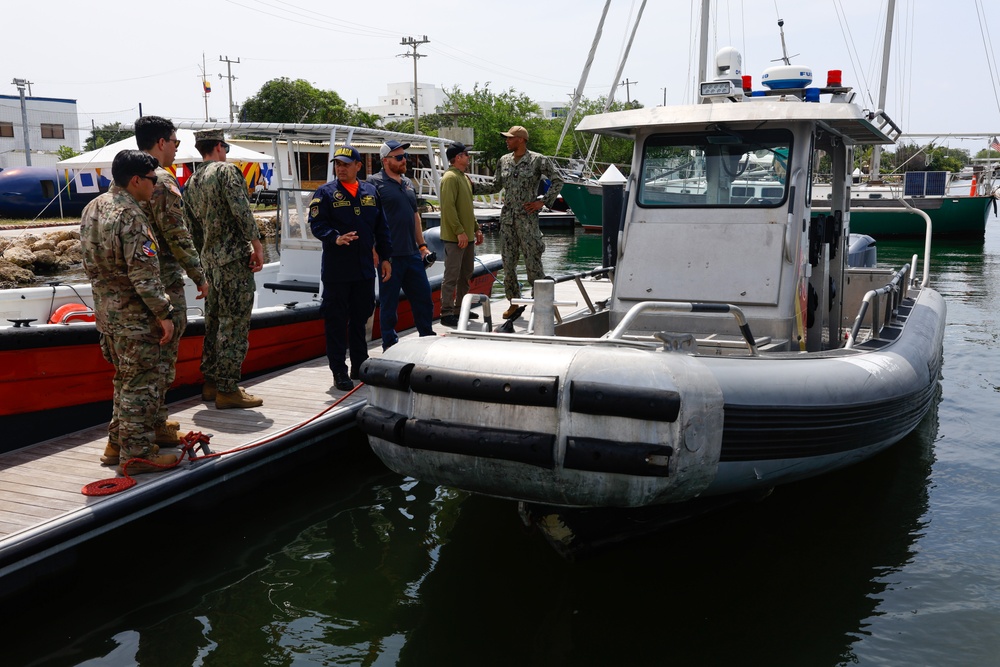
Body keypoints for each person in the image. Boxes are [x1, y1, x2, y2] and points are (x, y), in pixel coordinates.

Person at [80, 150, 179, 475]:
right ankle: (137, 456)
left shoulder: (93, 208)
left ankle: (115, 444)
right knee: (140, 386)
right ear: (136, 180)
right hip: (135, 318)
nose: (155, 186)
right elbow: (144, 276)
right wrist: (164, 313)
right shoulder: (131, 216)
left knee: (124, 381)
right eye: (152, 180)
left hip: (107, 315)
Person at [134, 115, 209, 447]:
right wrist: (199, 275)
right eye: (176, 143)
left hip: (137, 285)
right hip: (163, 283)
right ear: (162, 143)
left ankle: (124, 431)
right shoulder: (162, 181)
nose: (178, 150)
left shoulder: (127, 180)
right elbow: (177, 236)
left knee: (136, 366)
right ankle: (157, 424)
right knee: (163, 361)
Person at [183, 129, 265, 409]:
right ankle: (228, 388)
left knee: (214, 322)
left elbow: (191, 228)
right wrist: (257, 244)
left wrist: (202, 262)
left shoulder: (192, 181)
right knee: (235, 324)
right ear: (219, 146)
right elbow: (241, 209)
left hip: (211, 263)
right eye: (226, 147)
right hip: (232, 262)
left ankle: (211, 383)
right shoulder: (226, 172)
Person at [308, 146, 392, 391]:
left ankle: (359, 364)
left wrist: (386, 257)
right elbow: (316, 223)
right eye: (337, 164)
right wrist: (334, 237)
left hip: (364, 268)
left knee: (361, 317)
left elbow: (381, 228)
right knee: (335, 320)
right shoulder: (325, 193)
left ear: (358, 166)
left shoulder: (370, 191)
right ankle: (339, 371)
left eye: (345, 164)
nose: (340, 168)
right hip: (337, 270)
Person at [473, 125, 564, 318]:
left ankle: (540, 302)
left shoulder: (538, 160)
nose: (506, 141)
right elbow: (495, 185)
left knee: (533, 263)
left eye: (510, 138)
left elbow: (558, 180)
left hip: (528, 220)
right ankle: (513, 302)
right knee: (508, 264)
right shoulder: (503, 161)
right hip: (507, 220)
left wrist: (543, 202)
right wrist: (471, 186)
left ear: (521, 139)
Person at [367, 140, 435, 349]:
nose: (404, 160)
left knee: (424, 299)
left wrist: (422, 246)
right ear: (386, 160)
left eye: (404, 156)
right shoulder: (373, 183)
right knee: (389, 303)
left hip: (412, 254)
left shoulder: (407, 183)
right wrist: (374, 249)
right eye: (399, 157)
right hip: (389, 256)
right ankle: (390, 344)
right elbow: (369, 219)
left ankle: (427, 338)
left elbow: (414, 215)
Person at [438, 142, 484, 327]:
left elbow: (467, 209)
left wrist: (476, 228)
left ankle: (460, 309)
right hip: (454, 238)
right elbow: (448, 208)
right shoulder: (450, 178)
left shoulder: (464, 177)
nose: (468, 157)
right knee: (451, 275)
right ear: (458, 157)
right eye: (466, 154)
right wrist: (459, 232)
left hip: (467, 236)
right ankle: (446, 312)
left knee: (465, 274)